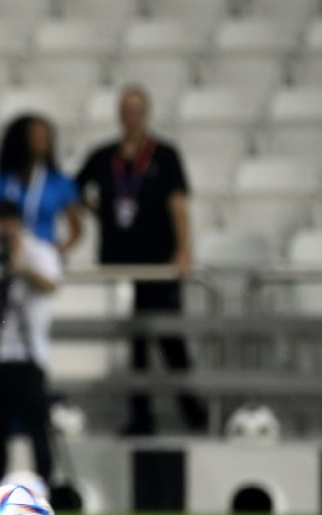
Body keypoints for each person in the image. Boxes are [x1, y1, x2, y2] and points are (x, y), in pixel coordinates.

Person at [75, 83, 207, 436]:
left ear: (145, 113)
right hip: (121, 263)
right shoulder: (104, 156)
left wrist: (183, 250)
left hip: (158, 263)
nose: (130, 115)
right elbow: (73, 189)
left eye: (135, 109)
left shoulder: (164, 155)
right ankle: (141, 416)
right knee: (134, 341)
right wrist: (98, 212)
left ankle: (194, 411)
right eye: (124, 109)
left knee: (169, 338)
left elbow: (178, 204)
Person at [0, 200, 62, 503]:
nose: (3, 229)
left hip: (28, 356)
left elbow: (51, 284)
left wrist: (23, 269)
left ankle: (43, 497)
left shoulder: (39, 251)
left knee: (39, 432)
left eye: (8, 222)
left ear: (18, 222)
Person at [0, 114, 82, 256]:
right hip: (10, 255)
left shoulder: (60, 182)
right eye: (37, 137)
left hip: (44, 254)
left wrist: (60, 252)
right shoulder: (3, 182)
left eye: (46, 138)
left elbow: (76, 229)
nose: (44, 142)